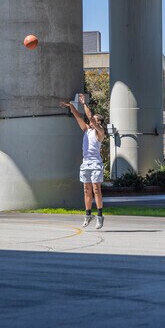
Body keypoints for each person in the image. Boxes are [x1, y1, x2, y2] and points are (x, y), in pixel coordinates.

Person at [60, 93, 106, 230]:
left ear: (98, 123)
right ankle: (88, 215)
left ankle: (100, 216)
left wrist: (84, 103)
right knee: (87, 190)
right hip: (85, 163)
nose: (92, 121)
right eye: (92, 120)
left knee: (96, 189)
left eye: (95, 120)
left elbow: (89, 117)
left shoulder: (100, 132)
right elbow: (78, 117)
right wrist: (72, 107)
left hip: (96, 164)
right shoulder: (86, 130)